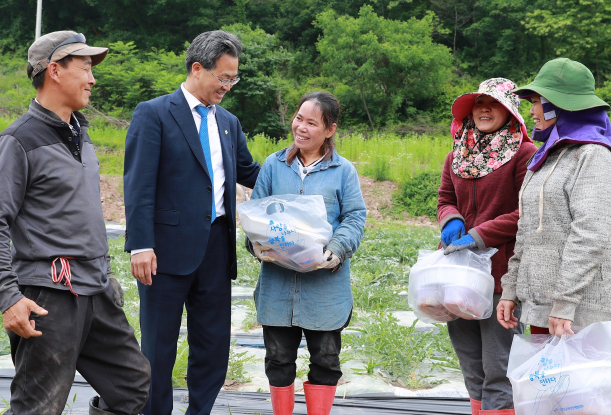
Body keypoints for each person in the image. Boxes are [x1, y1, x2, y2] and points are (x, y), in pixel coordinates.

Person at [0, 31, 150, 415]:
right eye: (85, 67)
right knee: (39, 407)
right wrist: (8, 297)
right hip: (49, 294)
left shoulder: (80, 133)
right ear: (54, 70)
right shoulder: (19, 141)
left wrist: (106, 272)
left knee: (131, 388)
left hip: (96, 289)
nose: (93, 78)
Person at [124, 30, 260, 415]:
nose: (228, 86)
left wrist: (303, 166)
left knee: (213, 347)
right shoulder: (154, 113)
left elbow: (252, 173)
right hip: (164, 253)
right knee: (157, 349)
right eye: (223, 77)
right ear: (198, 69)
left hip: (216, 248)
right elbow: (138, 185)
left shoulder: (229, 123)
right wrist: (140, 243)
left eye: (234, 78)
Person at [247, 91, 366, 415]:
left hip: (325, 289)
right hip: (278, 286)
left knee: (326, 359)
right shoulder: (273, 165)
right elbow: (256, 214)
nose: (300, 127)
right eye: (299, 118)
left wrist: (336, 249)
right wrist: (257, 243)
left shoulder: (343, 171)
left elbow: (355, 217)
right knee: (278, 358)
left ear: (329, 129)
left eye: (311, 122)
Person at [497, 58, 611, 339]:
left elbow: (591, 234)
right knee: (542, 384)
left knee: (577, 384)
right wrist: (512, 289)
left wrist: (565, 303)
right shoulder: (546, 155)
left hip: (575, 313)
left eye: (535, 102)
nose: (531, 112)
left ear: (557, 103)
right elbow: (527, 230)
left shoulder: (593, 155)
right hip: (543, 306)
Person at [437, 78, 538, 415]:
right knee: (471, 364)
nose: (483, 108)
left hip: (502, 275)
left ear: (509, 111)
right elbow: (445, 199)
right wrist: (451, 219)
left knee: (499, 368)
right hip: (460, 272)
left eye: (493, 103)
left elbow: (527, 212)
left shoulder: (525, 154)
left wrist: (479, 235)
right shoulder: (457, 153)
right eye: (479, 103)